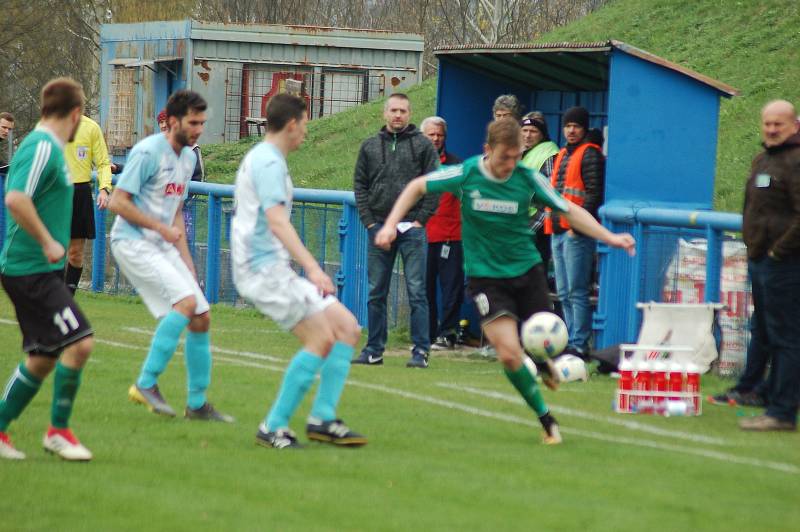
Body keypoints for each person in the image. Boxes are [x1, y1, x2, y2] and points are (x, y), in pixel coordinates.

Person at [375, 118, 635, 444]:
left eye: (515, 157)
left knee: (540, 341)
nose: (509, 165)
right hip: (486, 279)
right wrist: (390, 225)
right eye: (503, 158)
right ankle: (546, 419)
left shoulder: (526, 178)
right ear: (488, 150)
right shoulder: (467, 173)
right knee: (510, 355)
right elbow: (417, 186)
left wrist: (609, 237)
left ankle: (542, 363)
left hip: (527, 272)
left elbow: (568, 209)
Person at [232, 93, 366, 449]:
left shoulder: (265, 158)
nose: (306, 132)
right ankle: (273, 426)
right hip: (261, 271)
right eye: (305, 125)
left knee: (347, 329)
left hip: (273, 268)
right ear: (291, 125)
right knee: (320, 339)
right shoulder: (269, 163)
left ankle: (322, 418)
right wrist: (313, 268)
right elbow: (276, 221)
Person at [108, 90, 233, 423]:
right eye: (193, 122)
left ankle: (197, 405)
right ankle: (145, 383)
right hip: (132, 241)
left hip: (161, 245)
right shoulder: (148, 152)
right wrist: (159, 229)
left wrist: (188, 264)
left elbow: (175, 213)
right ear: (173, 121)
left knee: (201, 316)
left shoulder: (189, 158)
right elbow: (119, 202)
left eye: (202, 123)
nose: (198, 129)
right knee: (186, 306)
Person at [0, 78, 94, 461]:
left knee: (43, 356)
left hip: (38, 268)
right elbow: (15, 198)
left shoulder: (50, 147)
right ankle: (58, 431)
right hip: (31, 268)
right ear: (75, 115)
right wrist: (47, 241)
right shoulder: (41, 146)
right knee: (80, 341)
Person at [352, 93, 439, 368]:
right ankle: (374, 349)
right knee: (376, 291)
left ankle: (420, 351)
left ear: (410, 114)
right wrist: (369, 222)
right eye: (393, 110)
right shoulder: (369, 147)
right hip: (377, 227)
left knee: (416, 291)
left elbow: (433, 185)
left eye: (403, 110)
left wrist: (420, 220)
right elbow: (360, 186)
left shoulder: (423, 146)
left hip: (412, 229)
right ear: (384, 114)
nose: (398, 115)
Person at [737, 100, 800, 431]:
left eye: (779, 124)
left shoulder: (795, 161)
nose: (772, 129)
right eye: (767, 124)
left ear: (794, 126)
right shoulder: (763, 159)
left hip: (785, 265)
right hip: (761, 261)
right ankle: (770, 398)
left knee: (786, 337)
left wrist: (778, 252)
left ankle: (782, 412)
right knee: (769, 334)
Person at [544, 106, 605, 360]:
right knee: (565, 291)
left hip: (575, 233)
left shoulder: (589, 154)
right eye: (568, 126)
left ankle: (580, 342)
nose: (571, 130)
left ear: (584, 128)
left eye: (576, 126)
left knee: (577, 291)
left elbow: (593, 194)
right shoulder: (562, 154)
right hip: (558, 230)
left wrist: (577, 226)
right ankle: (571, 339)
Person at [420, 116, 464, 351]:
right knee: (423, 289)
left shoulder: (457, 164)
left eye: (440, 135)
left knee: (451, 289)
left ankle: (448, 334)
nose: (436, 139)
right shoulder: (415, 163)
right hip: (421, 237)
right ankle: (425, 335)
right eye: (431, 135)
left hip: (451, 237)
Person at [63, 115, 114, 294]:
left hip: (80, 192)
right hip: (55, 190)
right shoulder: (50, 123)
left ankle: (67, 300)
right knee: (53, 250)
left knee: (75, 253)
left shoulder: (91, 127)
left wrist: (104, 189)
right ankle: (50, 299)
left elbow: (103, 163)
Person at [520, 113, 560, 267]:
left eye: (533, 131)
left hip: (536, 228)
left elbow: (548, 196)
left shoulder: (548, 153)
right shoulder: (523, 152)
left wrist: (532, 228)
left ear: (542, 134)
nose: (528, 135)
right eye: (525, 130)